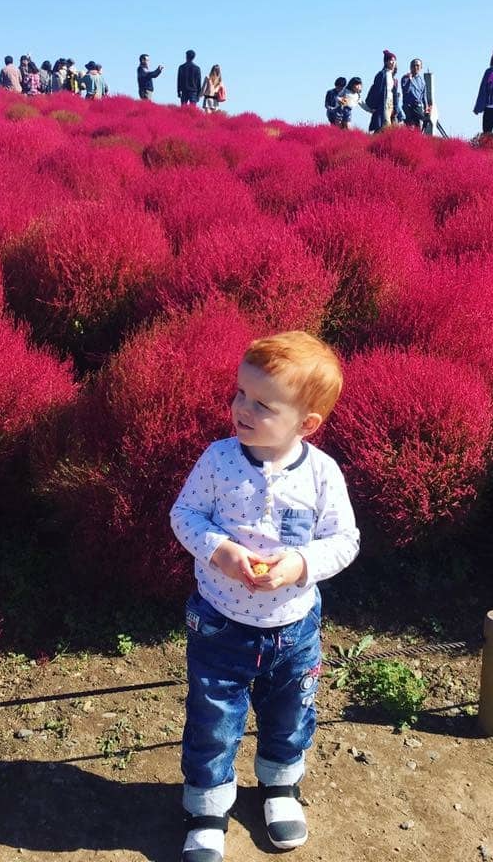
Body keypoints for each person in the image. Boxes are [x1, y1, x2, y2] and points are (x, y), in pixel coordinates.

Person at [170, 331, 359, 862]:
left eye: (261, 404)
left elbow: (345, 540)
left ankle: (280, 787)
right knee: (213, 718)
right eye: (239, 394)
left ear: (307, 424)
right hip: (221, 623)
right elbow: (184, 515)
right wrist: (219, 551)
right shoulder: (219, 459)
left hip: (294, 627)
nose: (241, 409)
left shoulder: (322, 475)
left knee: (291, 713)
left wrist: (300, 564)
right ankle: (207, 809)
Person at [364, 50, 403, 132]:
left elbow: (394, 94)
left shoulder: (393, 78)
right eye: (391, 60)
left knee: (390, 125)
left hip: (390, 103)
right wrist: (375, 106)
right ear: (386, 62)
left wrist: (396, 108)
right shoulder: (381, 75)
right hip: (383, 104)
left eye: (394, 60)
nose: (393, 62)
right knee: (384, 125)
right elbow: (377, 91)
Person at [400, 58, 432, 133]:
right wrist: (409, 80)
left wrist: (426, 107)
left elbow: (423, 95)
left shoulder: (422, 81)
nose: (415, 67)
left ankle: (417, 139)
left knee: (420, 125)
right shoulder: (405, 78)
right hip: (408, 105)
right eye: (413, 66)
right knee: (410, 126)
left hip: (418, 106)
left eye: (417, 66)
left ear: (421, 67)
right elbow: (405, 90)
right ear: (410, 67)